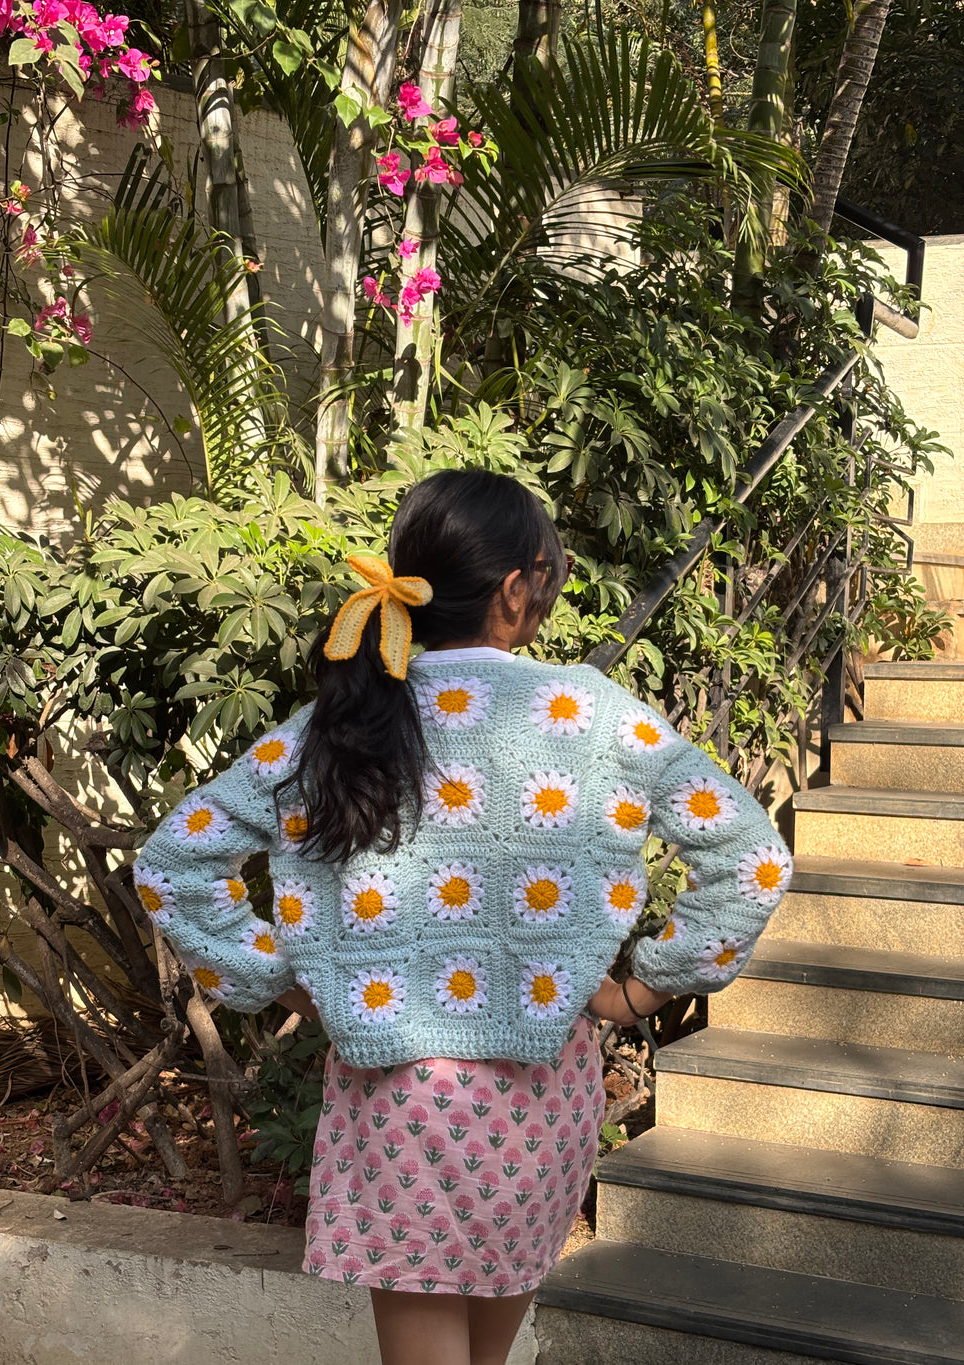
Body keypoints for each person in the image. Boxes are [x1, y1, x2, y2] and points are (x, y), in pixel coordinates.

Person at [135, 468, 792, 1365]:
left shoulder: (328, 728)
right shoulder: (593, 717)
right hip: (540, 1097)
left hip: (396, 1101)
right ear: (518, 587)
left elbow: (174, 862)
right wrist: (640, 991)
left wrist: (294, 983)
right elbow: (752, 859)